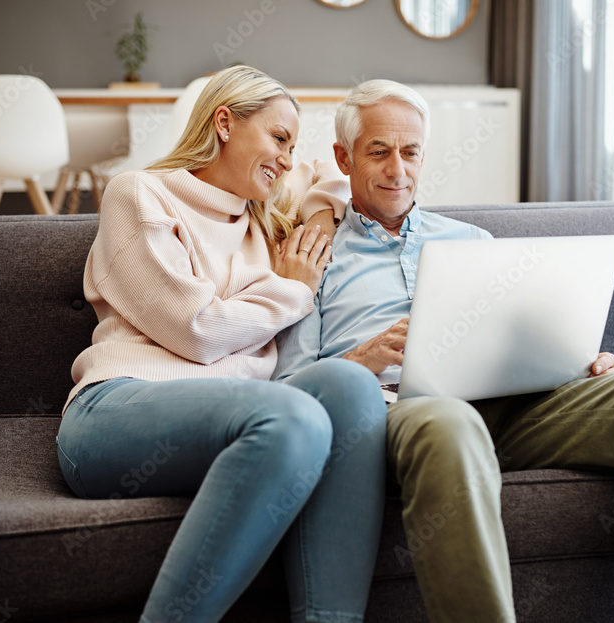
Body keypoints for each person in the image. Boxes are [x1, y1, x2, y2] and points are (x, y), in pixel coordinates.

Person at [273, 79, 614, 623]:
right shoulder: (313, 256)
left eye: (411, 151)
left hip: (518, 404)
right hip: (402, 412)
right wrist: (367, 356)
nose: (398, 169)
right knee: (449, 423)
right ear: (344, 158)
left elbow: (534, 333)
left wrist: (579, 360)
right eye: (379, 152)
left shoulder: (473, 241)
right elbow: (291, 389)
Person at [56, 65, 387, 623]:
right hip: (119, 408)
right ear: (225, 121)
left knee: (351, 385)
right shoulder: (141, 194)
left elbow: (333, 177)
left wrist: (317, 214)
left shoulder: (265, 217)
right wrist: (293, 290)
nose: (286, 158)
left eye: (291, 147)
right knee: (294, 418)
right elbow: (199, 331)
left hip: (237, 414)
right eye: (278, 138)